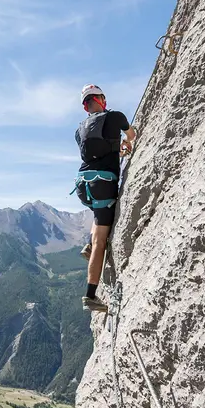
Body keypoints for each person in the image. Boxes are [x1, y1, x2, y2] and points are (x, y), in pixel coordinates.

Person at [73, 84, 136, 312]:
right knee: (102, 241)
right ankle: (90, 295)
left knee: (99, 216)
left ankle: (88, 247)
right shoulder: (116, 116)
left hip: (84, 184)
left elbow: (98, 154)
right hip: (103, 183)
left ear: (85, 105)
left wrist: (118, 151)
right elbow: (132, 134)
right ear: (101, 99)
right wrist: (127, 143)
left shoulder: (79, 129)